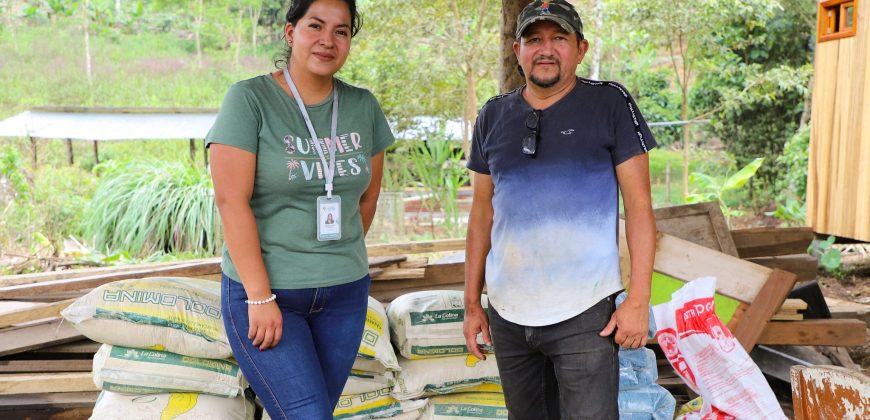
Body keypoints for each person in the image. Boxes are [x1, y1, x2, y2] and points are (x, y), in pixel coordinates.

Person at [462, 1, 657, 418]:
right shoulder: (492, 115)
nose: (546, 49)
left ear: (580, 49)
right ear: (517, 50)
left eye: (559, 39)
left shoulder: (609, 103)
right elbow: (481, 215)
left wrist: (638, 299)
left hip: (585, 313)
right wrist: (472, 303)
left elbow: (640, 207)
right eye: (534, 39)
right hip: (509, 314)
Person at [206, 0, 394, 417]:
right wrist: (259, 297)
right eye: (315, 26)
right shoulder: (250, 100)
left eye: (341, 31)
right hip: (270, 294)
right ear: (291, 32)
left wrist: (333, 256)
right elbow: (231, 202)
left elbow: (367, 198)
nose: (328, 40)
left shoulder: (363, 106)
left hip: (345, 294)